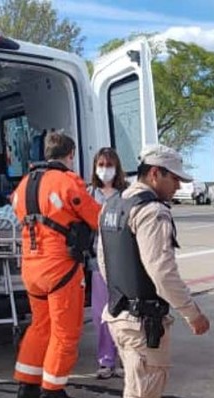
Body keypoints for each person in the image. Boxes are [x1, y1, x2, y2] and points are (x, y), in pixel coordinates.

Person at [97, 144, 211, 398]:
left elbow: (103, 261)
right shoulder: (151, 211)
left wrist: (121, 296)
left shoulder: (112, 206)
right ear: (155, 173)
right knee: (142, 394)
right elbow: (162, 271)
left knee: (146, 388)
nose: (178, 187)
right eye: (174, 179)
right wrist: (192, 312)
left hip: (119, 314)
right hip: (142, 319)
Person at [11, 131, 101, 398]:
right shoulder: (68, 182)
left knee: (40, 326)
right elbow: (95, 216)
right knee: (65, 331)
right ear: (70, 154)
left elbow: (18, 213)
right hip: (59, 267)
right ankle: (52, 392)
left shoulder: (24, 184)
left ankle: (27, 385)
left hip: (31, 266)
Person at [87, 147, 128, 379]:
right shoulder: (89, 193)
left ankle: (125, 356)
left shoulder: (126, 193)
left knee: (123, 312)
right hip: (97, 262)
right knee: (101, 314)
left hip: (121, 262)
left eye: (109, 165)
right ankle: (106, 360)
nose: (105, 169)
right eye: (101, 165)